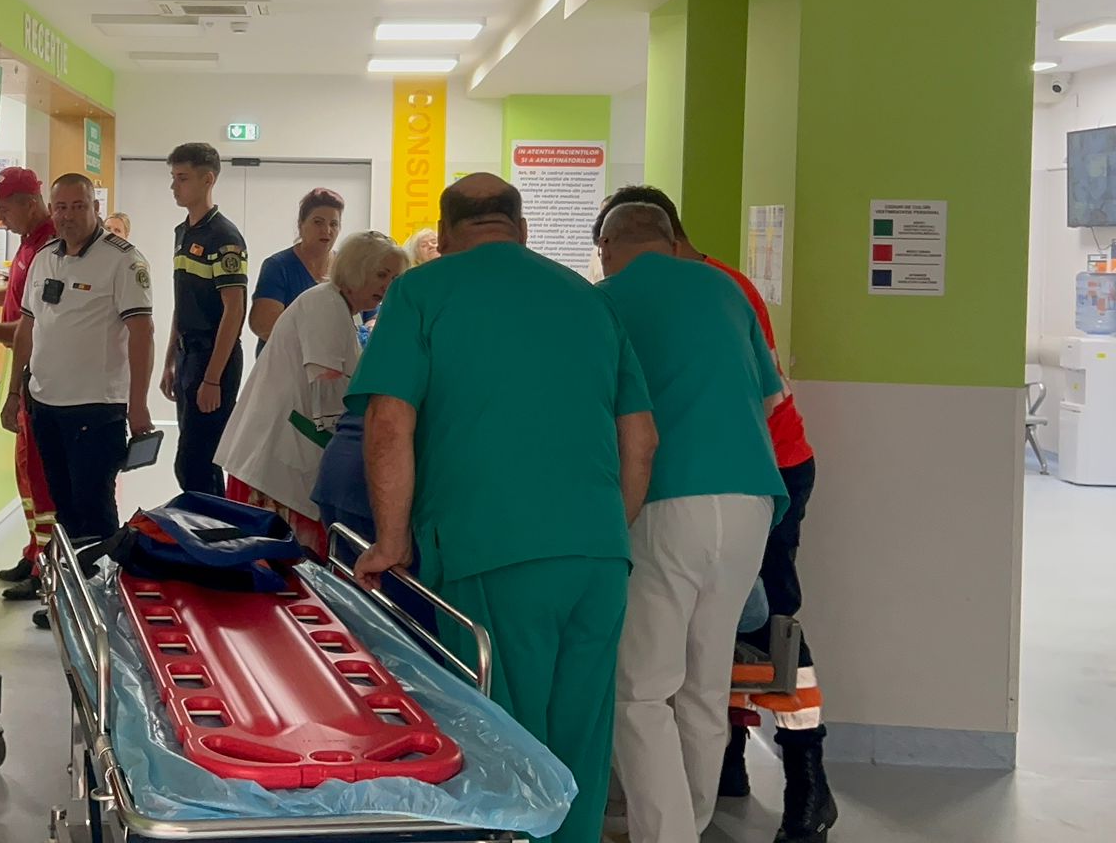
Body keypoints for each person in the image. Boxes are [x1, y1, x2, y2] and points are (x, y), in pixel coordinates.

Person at [350, 173, 656, 843]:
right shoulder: (588, 299)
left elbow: (389, 422)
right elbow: (641, 439)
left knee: (506, 749)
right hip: (599, 557)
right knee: (579, 745)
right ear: (521, 228)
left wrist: (392, 539)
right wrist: (605, 530)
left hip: (491, 550)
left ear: (445, 233)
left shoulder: (423, 291)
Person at [592, 186, 836, 843]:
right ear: (671, 239)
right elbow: (769, 399)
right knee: (706, 680)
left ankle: (664, 832)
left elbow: (594, 413)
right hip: (753, 499)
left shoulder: (605, 301)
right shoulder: (728, 291)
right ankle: (690, 820)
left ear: (607, 247)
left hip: (666, 503)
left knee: (642, 688)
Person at [218, 231, 405, 557]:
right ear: (356, 269)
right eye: (380, 274)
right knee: (277, 564)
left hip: (285, 457)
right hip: (277, 465)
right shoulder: (326, 306)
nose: (387, 286)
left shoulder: (340, 308)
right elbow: (329, 393)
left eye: (394, 278)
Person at [12, 173, 156, 548]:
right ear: (51, 210)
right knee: (62, 509)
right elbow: (26, 328)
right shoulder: (44, 258)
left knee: (94, 511)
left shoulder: (122, 260)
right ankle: (71, 584)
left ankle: (101, 582)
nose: (68, 216)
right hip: (46, 406)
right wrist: (14, 394)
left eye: (78, 206)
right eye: (61, 207)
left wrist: (138, 404)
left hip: (96, 409)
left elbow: (142, 334)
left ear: (95, 208)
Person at [0, 168, 61, 602]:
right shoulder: (29, 243)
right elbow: (25, 298)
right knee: (26, 473)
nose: (0, 218)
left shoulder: (50, 247)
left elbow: (38, 324)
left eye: (4, 208)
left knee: (40, 477)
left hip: (38, 375)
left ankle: (46, 565)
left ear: (29, 204)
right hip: (24, 368)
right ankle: (35, 552)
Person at [161, 142, 249, 496]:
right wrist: (170, 360)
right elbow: (182, 303)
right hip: (187, 356)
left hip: (215, 357)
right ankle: (204, 523)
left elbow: (234, 310)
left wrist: (212, 378)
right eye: (173, 177)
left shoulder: (224, 238)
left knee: (196, 463)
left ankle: (213, 527)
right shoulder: (183, 232)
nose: (174, 186)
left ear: (208, 179)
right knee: (192, 461)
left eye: (182, 178)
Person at [248, 188, 344, 352]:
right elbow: (264, 325)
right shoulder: (278, 266)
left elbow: (370, 317)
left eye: (333, 224)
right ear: (301, 225)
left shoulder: (347, 268)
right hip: (286, 363)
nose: (327, 230)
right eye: (318, 222)